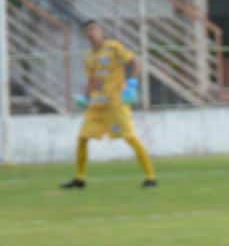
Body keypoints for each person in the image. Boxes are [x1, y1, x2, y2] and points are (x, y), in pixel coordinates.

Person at [60, 21, 157, 189]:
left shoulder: (113, 47)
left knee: (129, 137)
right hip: (97, 104)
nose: (91, 33)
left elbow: (135, 62)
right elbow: (92, 80)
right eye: (88, 31)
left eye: (94, 29)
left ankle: (151, 177)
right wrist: (85, 97)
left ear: (101, 31)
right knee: (82, 138)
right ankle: (79, 178)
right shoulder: (89, 57)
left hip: (115, 102)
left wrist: (132, 84)